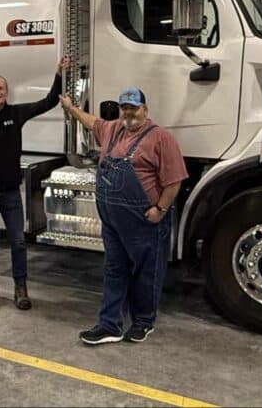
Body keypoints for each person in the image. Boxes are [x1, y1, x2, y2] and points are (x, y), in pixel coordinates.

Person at [60, 88, 187, 344]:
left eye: (133, 107)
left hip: (143, 220)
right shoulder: (112, 129)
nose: (128, 112)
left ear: (145, 110)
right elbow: (91, 121)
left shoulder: (161, 138)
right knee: (114, 269)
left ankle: (143, 322)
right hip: (113, 221)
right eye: (124, 107)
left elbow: (174, 181)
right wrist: (71, 108)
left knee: (147, 272)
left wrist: (159, 210)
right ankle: (110, 325)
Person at [0, 56, 67, 311]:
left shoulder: (16, 113)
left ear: (6, 92)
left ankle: (20, 288)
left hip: (9, 192)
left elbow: (49, 102)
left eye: (0, 88)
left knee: (18, 241)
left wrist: (60, 74)